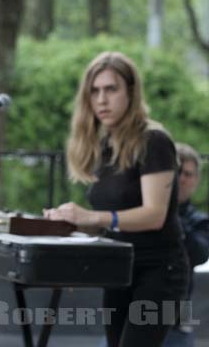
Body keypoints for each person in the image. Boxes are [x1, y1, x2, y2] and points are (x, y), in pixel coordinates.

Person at [43, 51, 189, 347]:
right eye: (94, 91)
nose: (101, 100)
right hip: (120, 269)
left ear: (131, 92)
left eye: (111, 89)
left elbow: (154, 214)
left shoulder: (154, 140)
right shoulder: (104, 144)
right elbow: (111, 221)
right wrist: (71, 221)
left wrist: (92, 217)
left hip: (160, 271)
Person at [163, 143, 209, 347]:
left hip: (175, 319)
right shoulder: (140, 214)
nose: (181, 179)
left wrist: (169, 214)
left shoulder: (199, 220)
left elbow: (199, 254)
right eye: (176, 172)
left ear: (196, 180)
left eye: (187, 174)